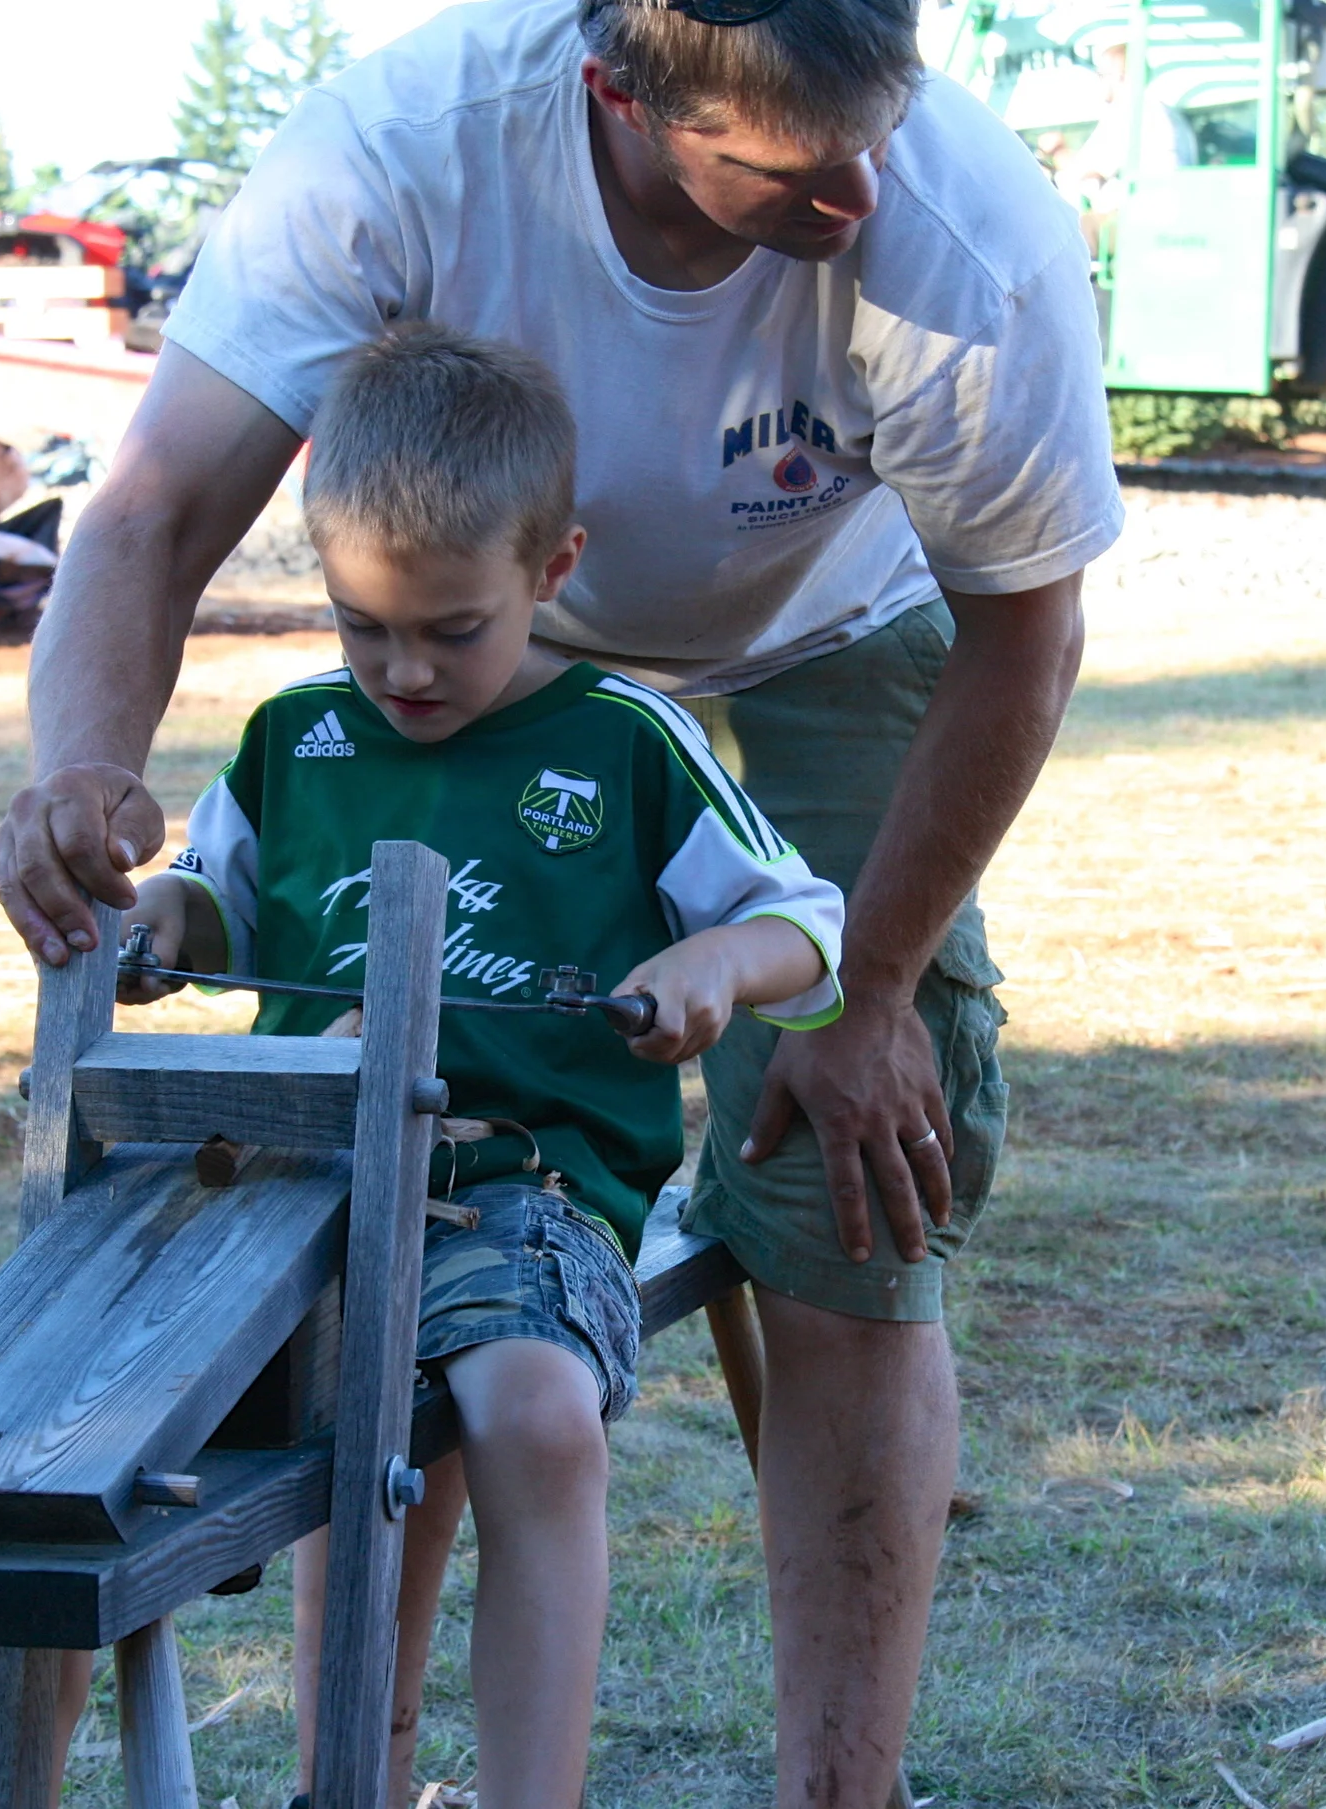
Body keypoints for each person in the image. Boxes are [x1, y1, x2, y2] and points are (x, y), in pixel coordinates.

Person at [0, 4, 1120, 1800]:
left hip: (845, 622)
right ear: (622, 93)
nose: (857, 193)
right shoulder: (406, 148)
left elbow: (1028, 631)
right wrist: (84, 776)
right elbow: (149, 509)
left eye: (873, 135)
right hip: (498, 620)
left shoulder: (963, 231)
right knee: (392, 1189)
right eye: (786, 164)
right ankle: (363, 1758)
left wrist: (870, 986)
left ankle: (841, 1781)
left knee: (850, 1183)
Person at [116, 324, 845, 1806]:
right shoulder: (298, 738)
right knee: (203, 1436)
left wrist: (713, 966)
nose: (403, 670)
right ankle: (351, 1777)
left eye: (453, 629)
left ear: (554, 566)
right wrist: (158, 921)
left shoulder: (626, 739)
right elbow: (218, 899)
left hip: (520, 1192)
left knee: (530, 1413)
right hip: (295, 1188)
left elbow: (809, 927)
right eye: (361, 624)